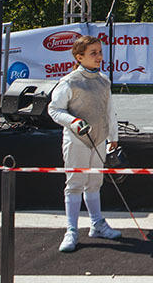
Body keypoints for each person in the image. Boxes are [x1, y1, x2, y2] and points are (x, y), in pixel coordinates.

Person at [47, 35, 122, 253]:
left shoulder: (103, 80)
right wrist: (73, 121)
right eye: (93, 53)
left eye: (100, 52)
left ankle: (97, 224)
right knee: (75, 184)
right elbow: (54, 109)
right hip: (76, 139)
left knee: (94, 183)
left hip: (98, 139)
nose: (99, 57)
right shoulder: (69, 81)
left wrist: (113, 137)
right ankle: (71, 230)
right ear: (79, 57)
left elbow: (109, 111)